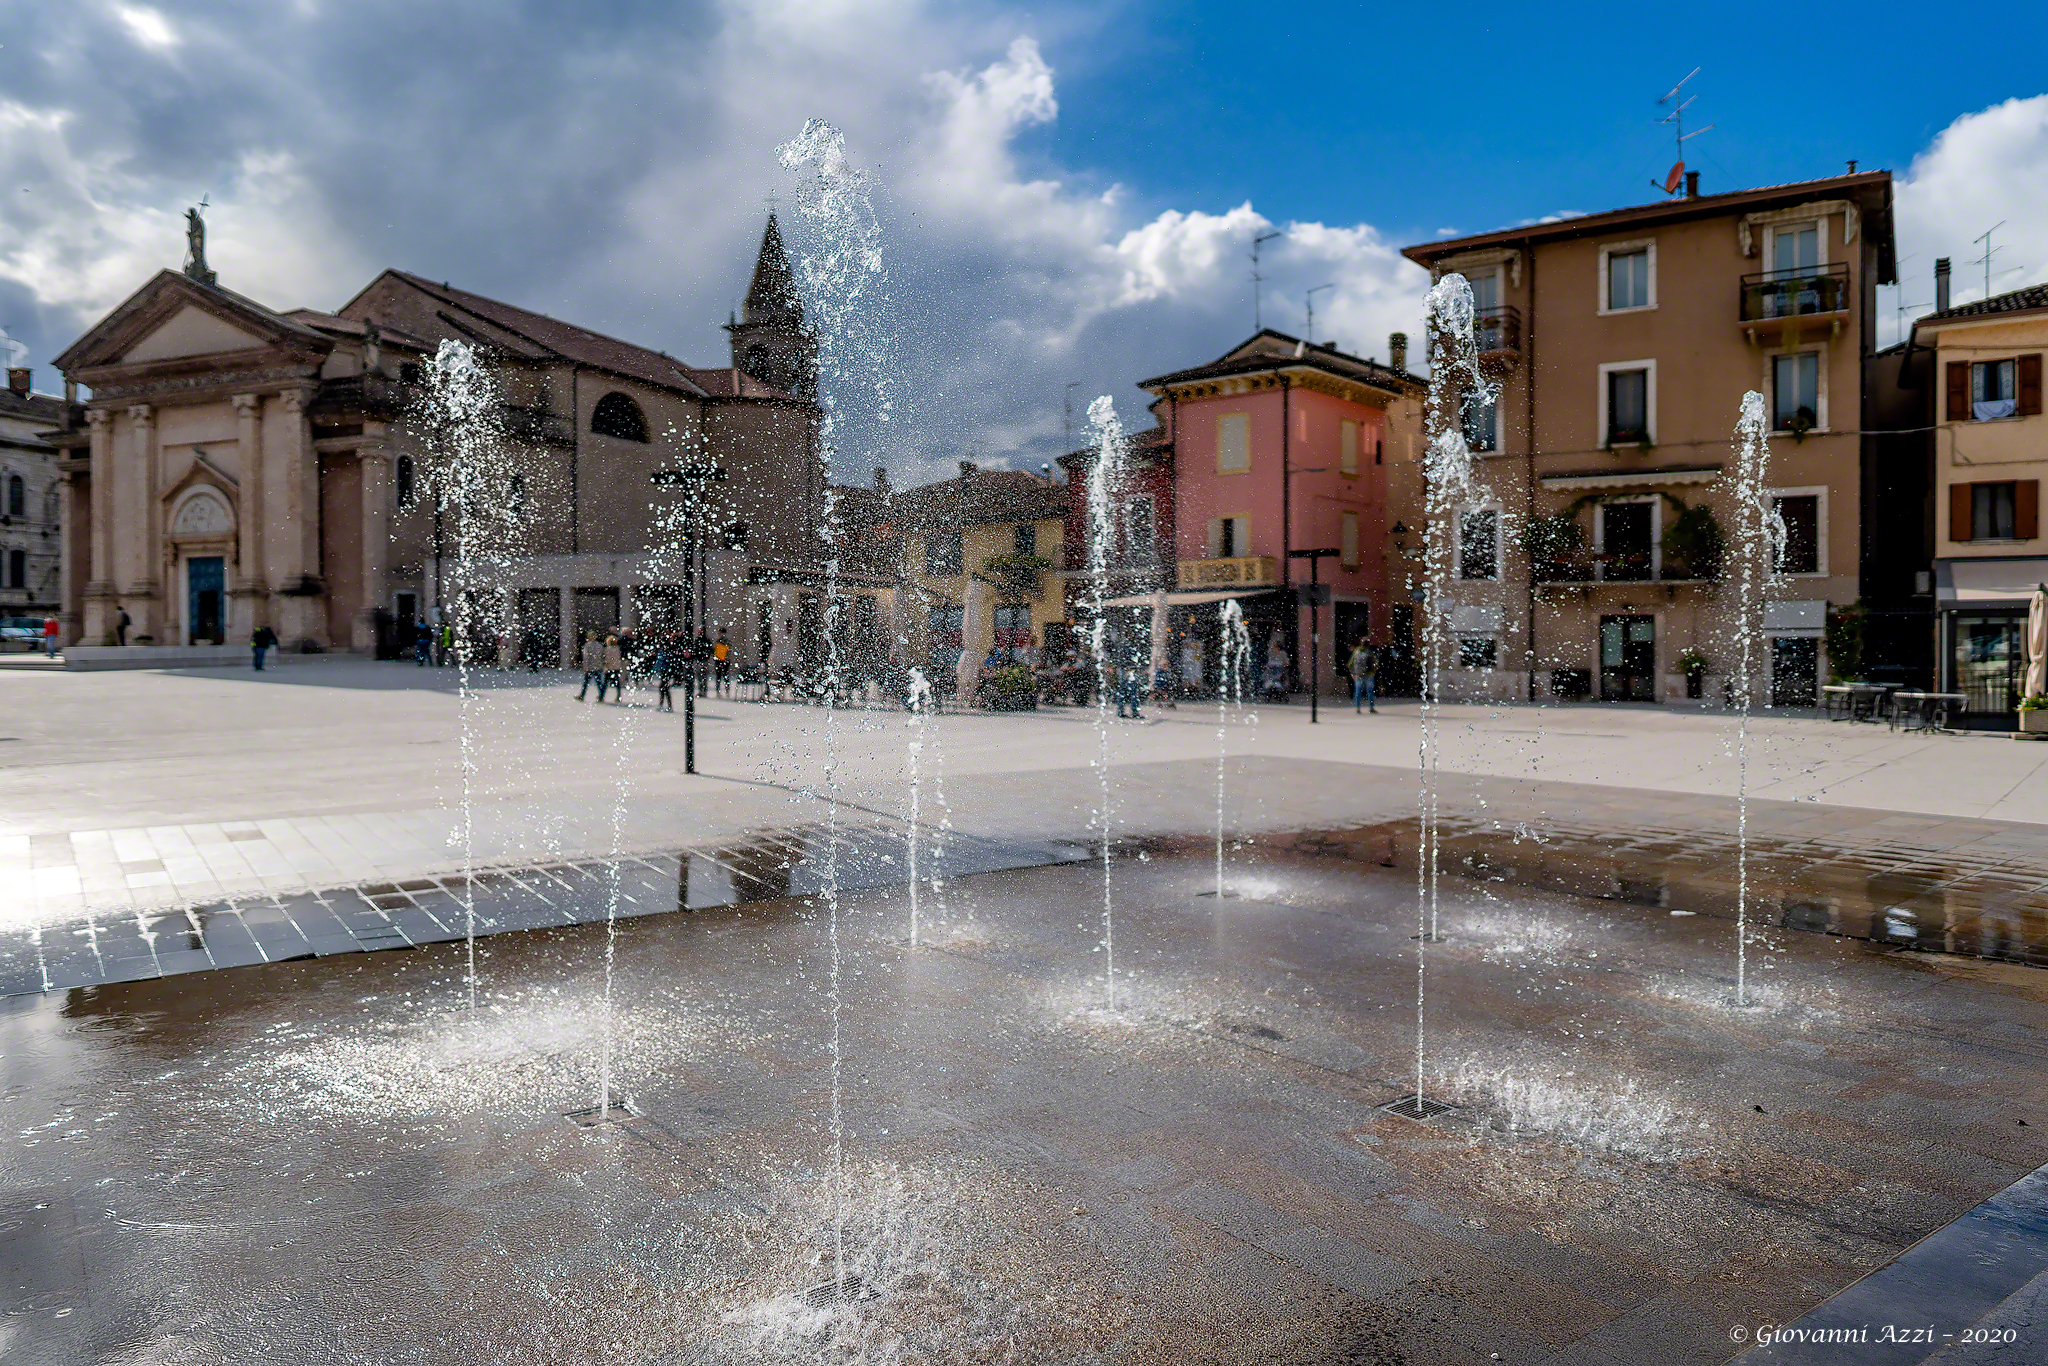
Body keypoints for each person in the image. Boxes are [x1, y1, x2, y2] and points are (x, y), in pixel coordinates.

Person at [1348, 638, 1379, 714]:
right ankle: (1371, 707)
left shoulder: (1356, 652)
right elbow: (1375, 663)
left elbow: (1350, 664)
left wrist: (1353, 673)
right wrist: (1374, 671)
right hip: (1369, 674)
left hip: (1359, 675)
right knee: (1370, 692)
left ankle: (1358, 708)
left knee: (1358, 692)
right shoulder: (1370, 652)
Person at [576, 632, 603, 700]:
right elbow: (602, 656)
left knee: (586, 683)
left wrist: (586, 667)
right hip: (597, 666)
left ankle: (582, 695)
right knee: (599, 682)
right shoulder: (599, 645)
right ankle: (601, 696)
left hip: (590, 667)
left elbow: (586, 657)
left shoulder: (587, 645)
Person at [652, 637, 676, 713]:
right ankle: (665, 705)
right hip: (665, 671)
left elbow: (661, 661)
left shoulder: (665, 651)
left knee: (664, 688)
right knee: (664, 688)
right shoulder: (666, 650)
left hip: (665, 671)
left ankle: (666, 705)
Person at [1264, 638, 1290, 703]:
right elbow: (1268, 662)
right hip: (1272, 669)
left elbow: (1287, 663)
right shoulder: (1271, 653)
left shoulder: (1282, 654)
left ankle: (1278, 686)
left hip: (1279, 669)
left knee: (1280, 677)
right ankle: (1270, 686)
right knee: (1269, 676)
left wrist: (1284, 665)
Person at [600, 633, 625, 703]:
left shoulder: (608, 649)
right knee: (617, 683)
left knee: (605, 684)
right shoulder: (618, 649)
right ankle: (619, 696)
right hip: (616, 668)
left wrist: (604, 663)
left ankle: (601, 696)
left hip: (609, 668)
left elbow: (607, 659)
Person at [713, 628, 731, 697]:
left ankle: (719, 690)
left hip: (720, 659)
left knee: (719, 676)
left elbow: (715, 649)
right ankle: (726, 690)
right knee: (724, 675)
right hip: (724, 660)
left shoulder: (718, 640)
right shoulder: (726, 640)